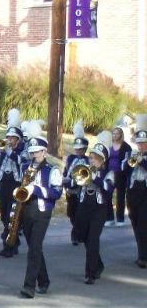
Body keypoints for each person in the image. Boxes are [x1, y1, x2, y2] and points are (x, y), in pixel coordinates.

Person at [17, 122, 63, 298]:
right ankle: (43, 281)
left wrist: (35, 190)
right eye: (32, 151)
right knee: (34, 247)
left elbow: (57, 193)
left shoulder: (52, 170)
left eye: (37, 151)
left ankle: (29, 286)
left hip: (42, 212)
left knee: (34, 248)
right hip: (26, 209)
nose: (33, 154)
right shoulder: (25, 167)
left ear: (44, 152)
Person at [75, 132, 114, 284]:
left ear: (102, 160)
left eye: (96, 158)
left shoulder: (108, 173)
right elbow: (74, 183)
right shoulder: (84, 169)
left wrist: (96, 177)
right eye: (91, 157)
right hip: (84, 206)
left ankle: (90, 273)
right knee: (85, 237)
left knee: (93, 240)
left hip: (99, 209)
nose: (92, 160)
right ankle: (98, 264)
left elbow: (108, 189)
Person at [0, 108, 26, 258]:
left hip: (16, 185)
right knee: (4, 215)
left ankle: (10, 245)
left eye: (12, 138)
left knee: (12, 214)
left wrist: (11, 153)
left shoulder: (23, 150)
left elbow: (23, 161)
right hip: (3, 184)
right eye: (8, 137)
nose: (9, 140)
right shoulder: (3, 149)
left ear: (18, 139)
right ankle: (12, 241)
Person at [123, 115, 147, 268]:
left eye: (144, 144)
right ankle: (141, 253)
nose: (141, 146)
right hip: (133, 192)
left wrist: (142, 161)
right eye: (139, 143)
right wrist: (129, 162)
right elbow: (123, 171)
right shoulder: (132, 154)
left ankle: (143, 257)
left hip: (145, 192)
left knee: (143, 224)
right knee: (135, 223)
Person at [62, 121, 90, 245]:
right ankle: (78, 231)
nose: (78, 151)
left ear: (85, 149)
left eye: (81, 149)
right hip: (70, 189)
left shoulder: (88, 160)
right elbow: (66, 170)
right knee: (71, 213)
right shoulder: (71, 158)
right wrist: (64, 181)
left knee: (79, 214)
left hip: (81, 189)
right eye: (77, 149)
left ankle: (76, 235)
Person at [107, 116, 132, 227]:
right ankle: (109, 218)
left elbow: (129, 161)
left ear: (121, 135)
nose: (115, 135)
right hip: (109, 173)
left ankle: (120, 219)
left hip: (121, 174)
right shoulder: (108, 145)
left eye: (117, 133)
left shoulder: (126, 146)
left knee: (120, 197)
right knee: (107, 195)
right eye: (113, 133)